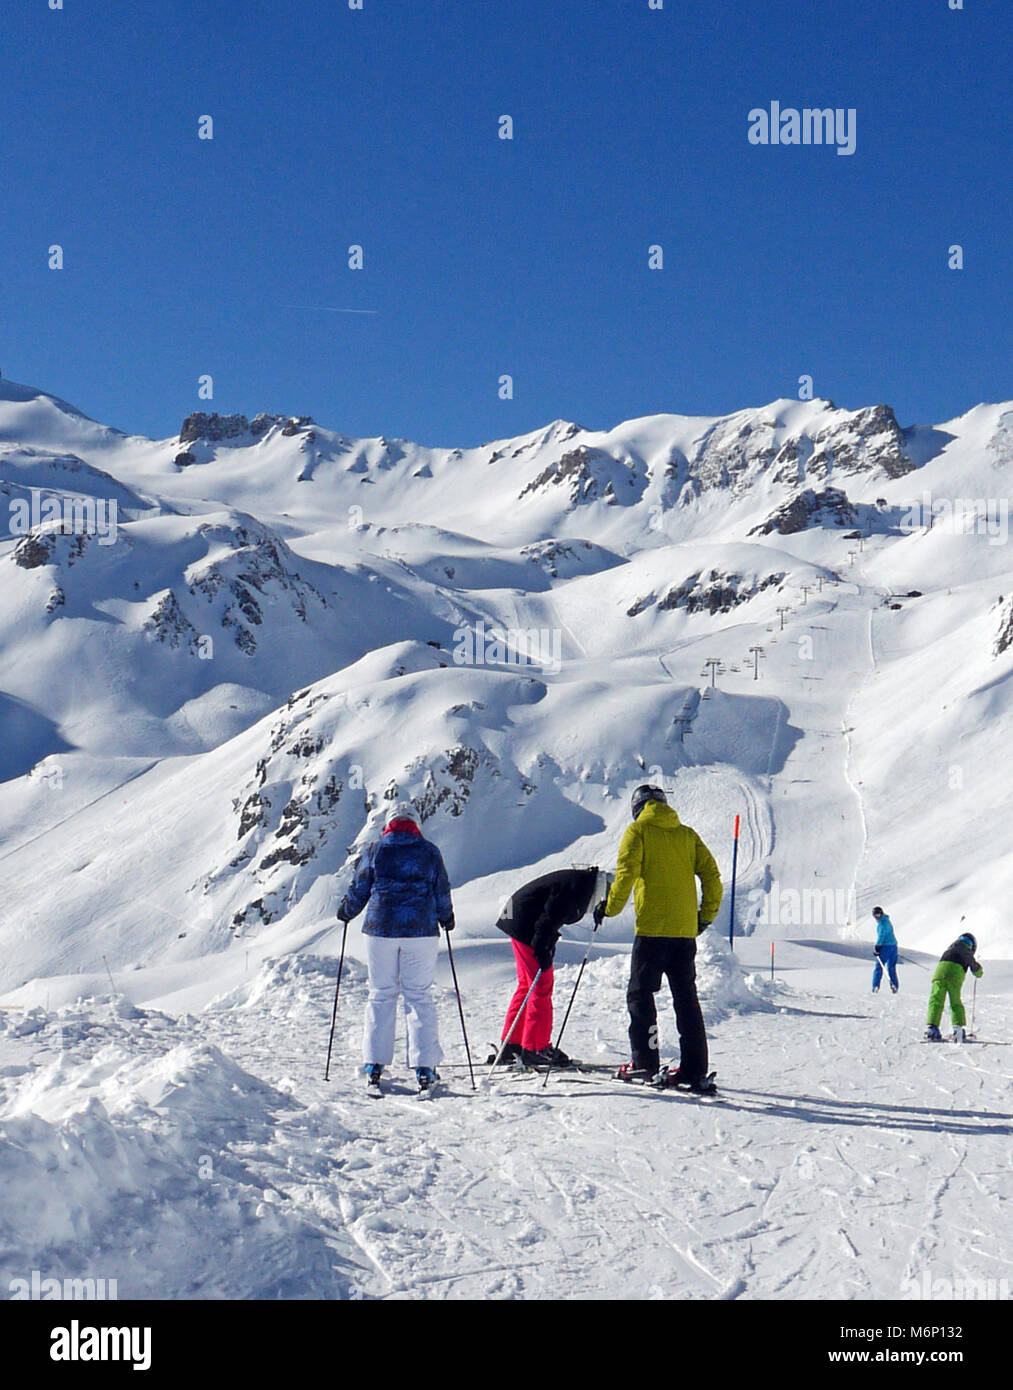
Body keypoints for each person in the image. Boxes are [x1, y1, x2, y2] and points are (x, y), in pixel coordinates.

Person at [599, 785, 723, 1092]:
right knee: (686, 999)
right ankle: (695, 1071)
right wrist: (704, 916)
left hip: (652, 931)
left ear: (637, 808)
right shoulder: (687, 835)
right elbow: (712, 877)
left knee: (641, 994)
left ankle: (645, 1062)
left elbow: (626, 874)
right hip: (684, 933)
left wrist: (609, 908)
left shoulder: (638, 831)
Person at [337, 803, 454, 1092]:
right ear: (416, 824)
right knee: (419, 996)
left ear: (388, 825)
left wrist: (347, 911)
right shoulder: (430, 852)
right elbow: (441, 889)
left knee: (381, 995)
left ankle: (374, 1065)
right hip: (421, 930)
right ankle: (425, 1068)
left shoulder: (376, 850)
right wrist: (447, 917)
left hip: (380, 929)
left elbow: (361, 886)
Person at [491, 866, 611, 1068]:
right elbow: (549, 919)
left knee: (527, 985)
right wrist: (542, 948)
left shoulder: (582, 883)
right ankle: (536, 1048)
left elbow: (550, 918)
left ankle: (513, 1044)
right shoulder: (575, 890)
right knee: (541, 986)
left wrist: (545, 944)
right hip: (524, 924)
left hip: (518, 919)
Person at [926, 931, 983, 1042]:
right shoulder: (965, 950)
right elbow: (974, 967)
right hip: (954, 976)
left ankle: (932, 1029)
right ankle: (958, 1030)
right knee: (955, 1002)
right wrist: (979, 972)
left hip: (939, 975)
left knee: (936, 1000)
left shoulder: (948, 950)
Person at [871, 906, 899, 994]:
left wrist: (877, 947)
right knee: (891, 967)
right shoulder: (887, 921)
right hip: (893, 946)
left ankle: (875, 986)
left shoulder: (882, 924)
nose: (877, 917)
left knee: (879, 966)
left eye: (878, 915)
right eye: (875, 915)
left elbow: (881, 936)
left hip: (885, 946)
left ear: (881, 913)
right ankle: (895, 985)